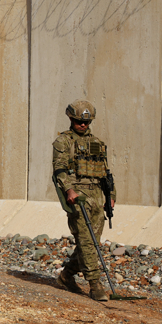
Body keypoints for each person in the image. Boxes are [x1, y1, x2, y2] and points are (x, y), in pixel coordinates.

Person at [52, 99, 116, 302]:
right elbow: (59, 170)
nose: (83, 125)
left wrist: (111, 196)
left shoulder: (97, 143)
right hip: (78, 196)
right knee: (87, 242)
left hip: (97, 196)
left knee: (91, 242)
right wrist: (69, 190)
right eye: (79, 121)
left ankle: (66, 276)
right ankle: (95, 284)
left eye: (87, 122)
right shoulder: (64, 142)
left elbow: (106, 173)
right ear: (71, 119)